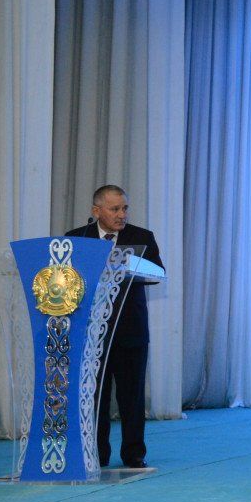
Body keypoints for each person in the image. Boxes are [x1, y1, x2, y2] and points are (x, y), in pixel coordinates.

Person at [66, 185, 164, 468]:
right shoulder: (77, 238)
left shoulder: (141, 237)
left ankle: (133, 453)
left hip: (130, 329)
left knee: (132, 396)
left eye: (125, 208)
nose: (122, 214)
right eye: (115, 209)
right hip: (90, 332)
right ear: (96, 211)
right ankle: (97, 453)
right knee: (94, 396)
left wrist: (129, 264)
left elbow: (158, 273)